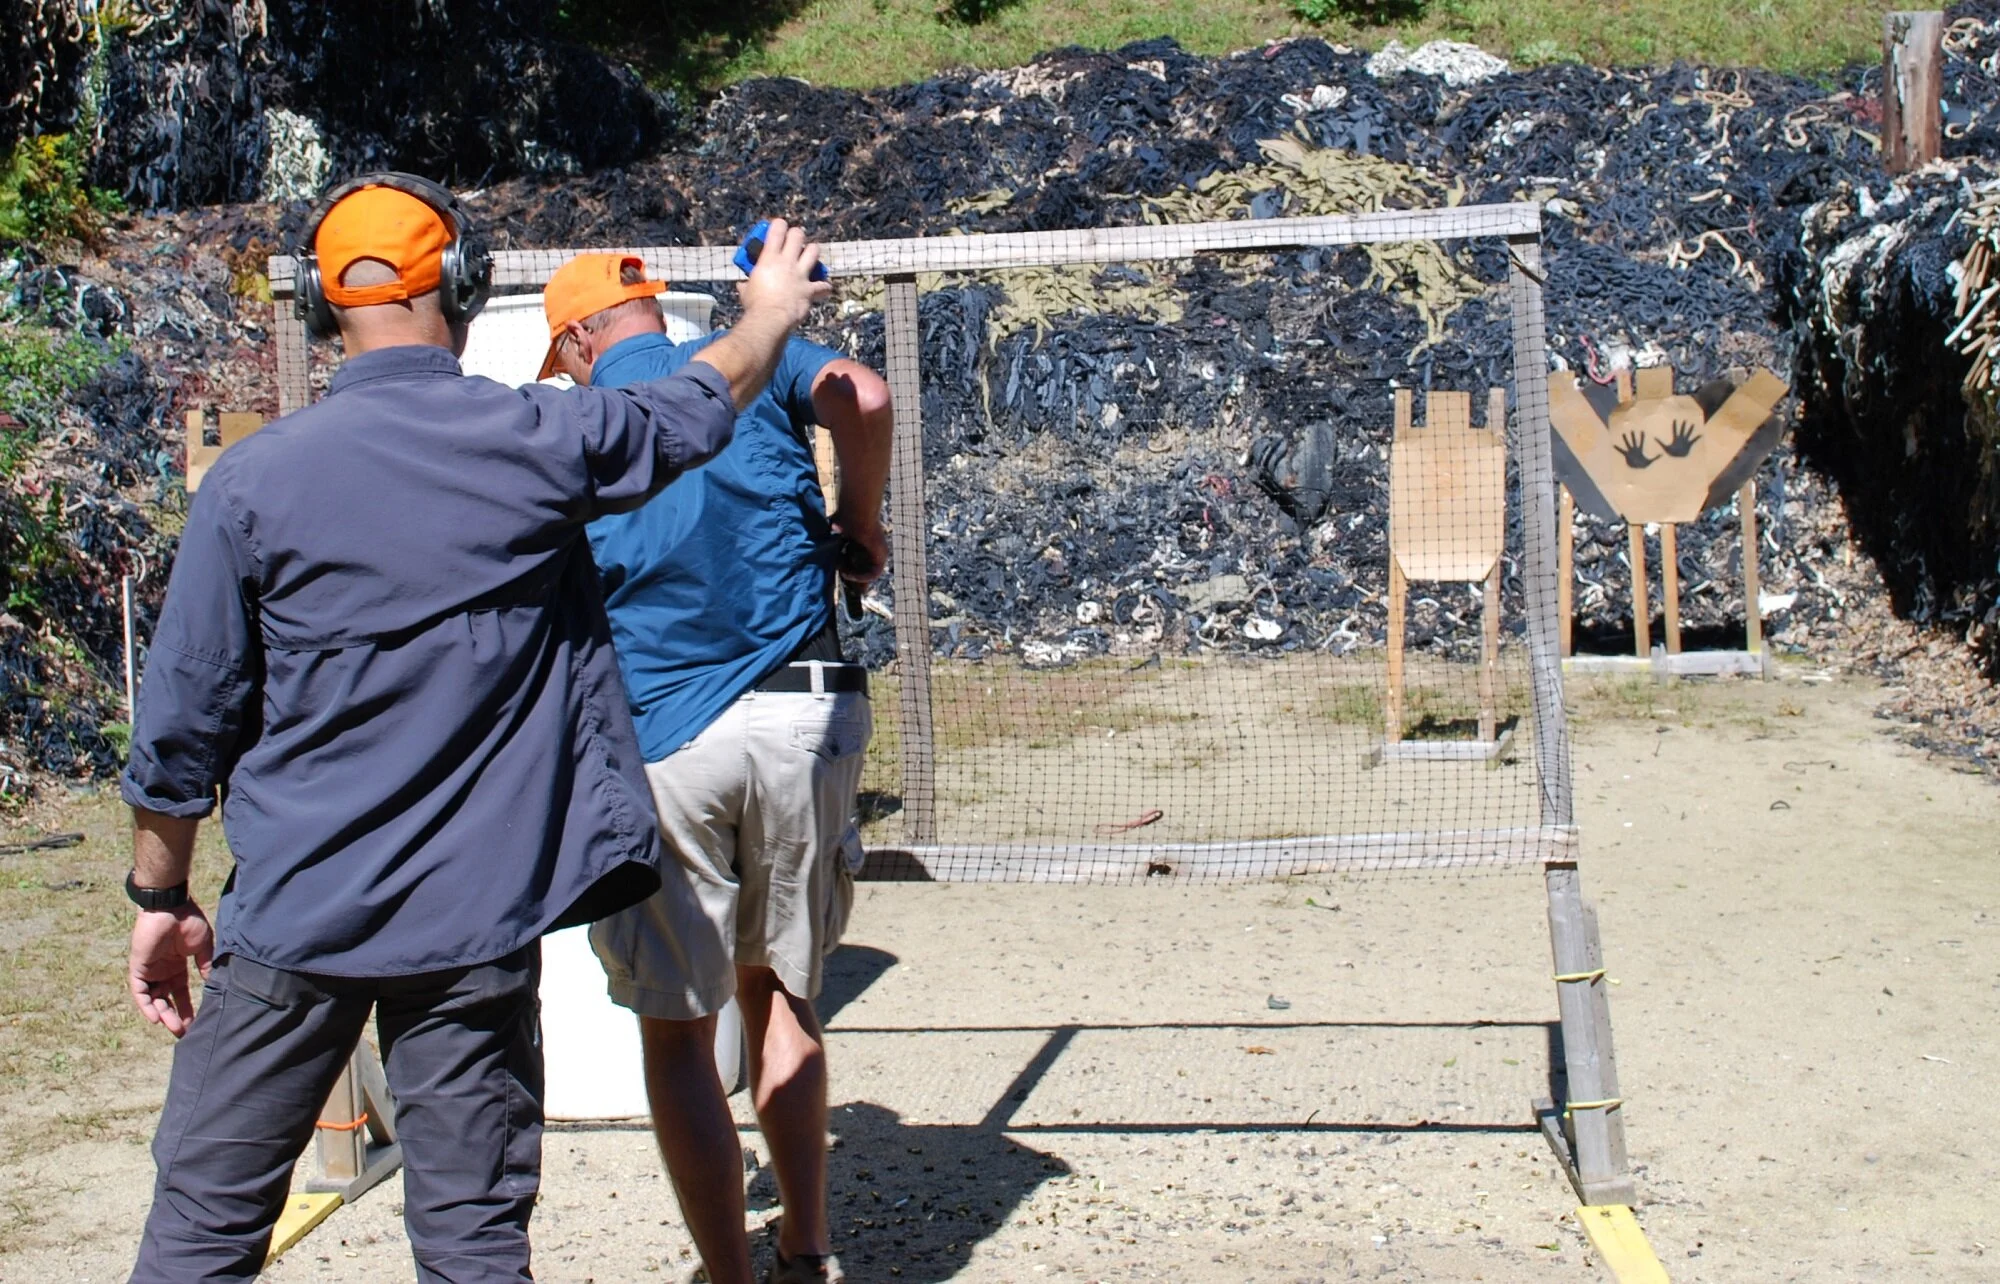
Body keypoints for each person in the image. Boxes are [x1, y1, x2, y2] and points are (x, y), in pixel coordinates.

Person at [118, 174, 831, 1283]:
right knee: (471, 1245)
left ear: (320, 302)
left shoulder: (252, 483)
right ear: (460, 283)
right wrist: (772, 312)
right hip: (471, 934)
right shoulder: (533, 440)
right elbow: (691, 409)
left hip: (292, 920)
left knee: (203, 1230)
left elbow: (179, 727)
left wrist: (161, 901)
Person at [540, 253, 891, 1284]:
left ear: (578, 341)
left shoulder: (577, 424)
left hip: (660, 742)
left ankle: (729, 1278)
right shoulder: (753, 352)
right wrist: (856, 523)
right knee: (779, 991)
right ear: (650, 310)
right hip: (800, 709)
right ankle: (807, 1249)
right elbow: (862, 394)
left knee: (679, 1031)